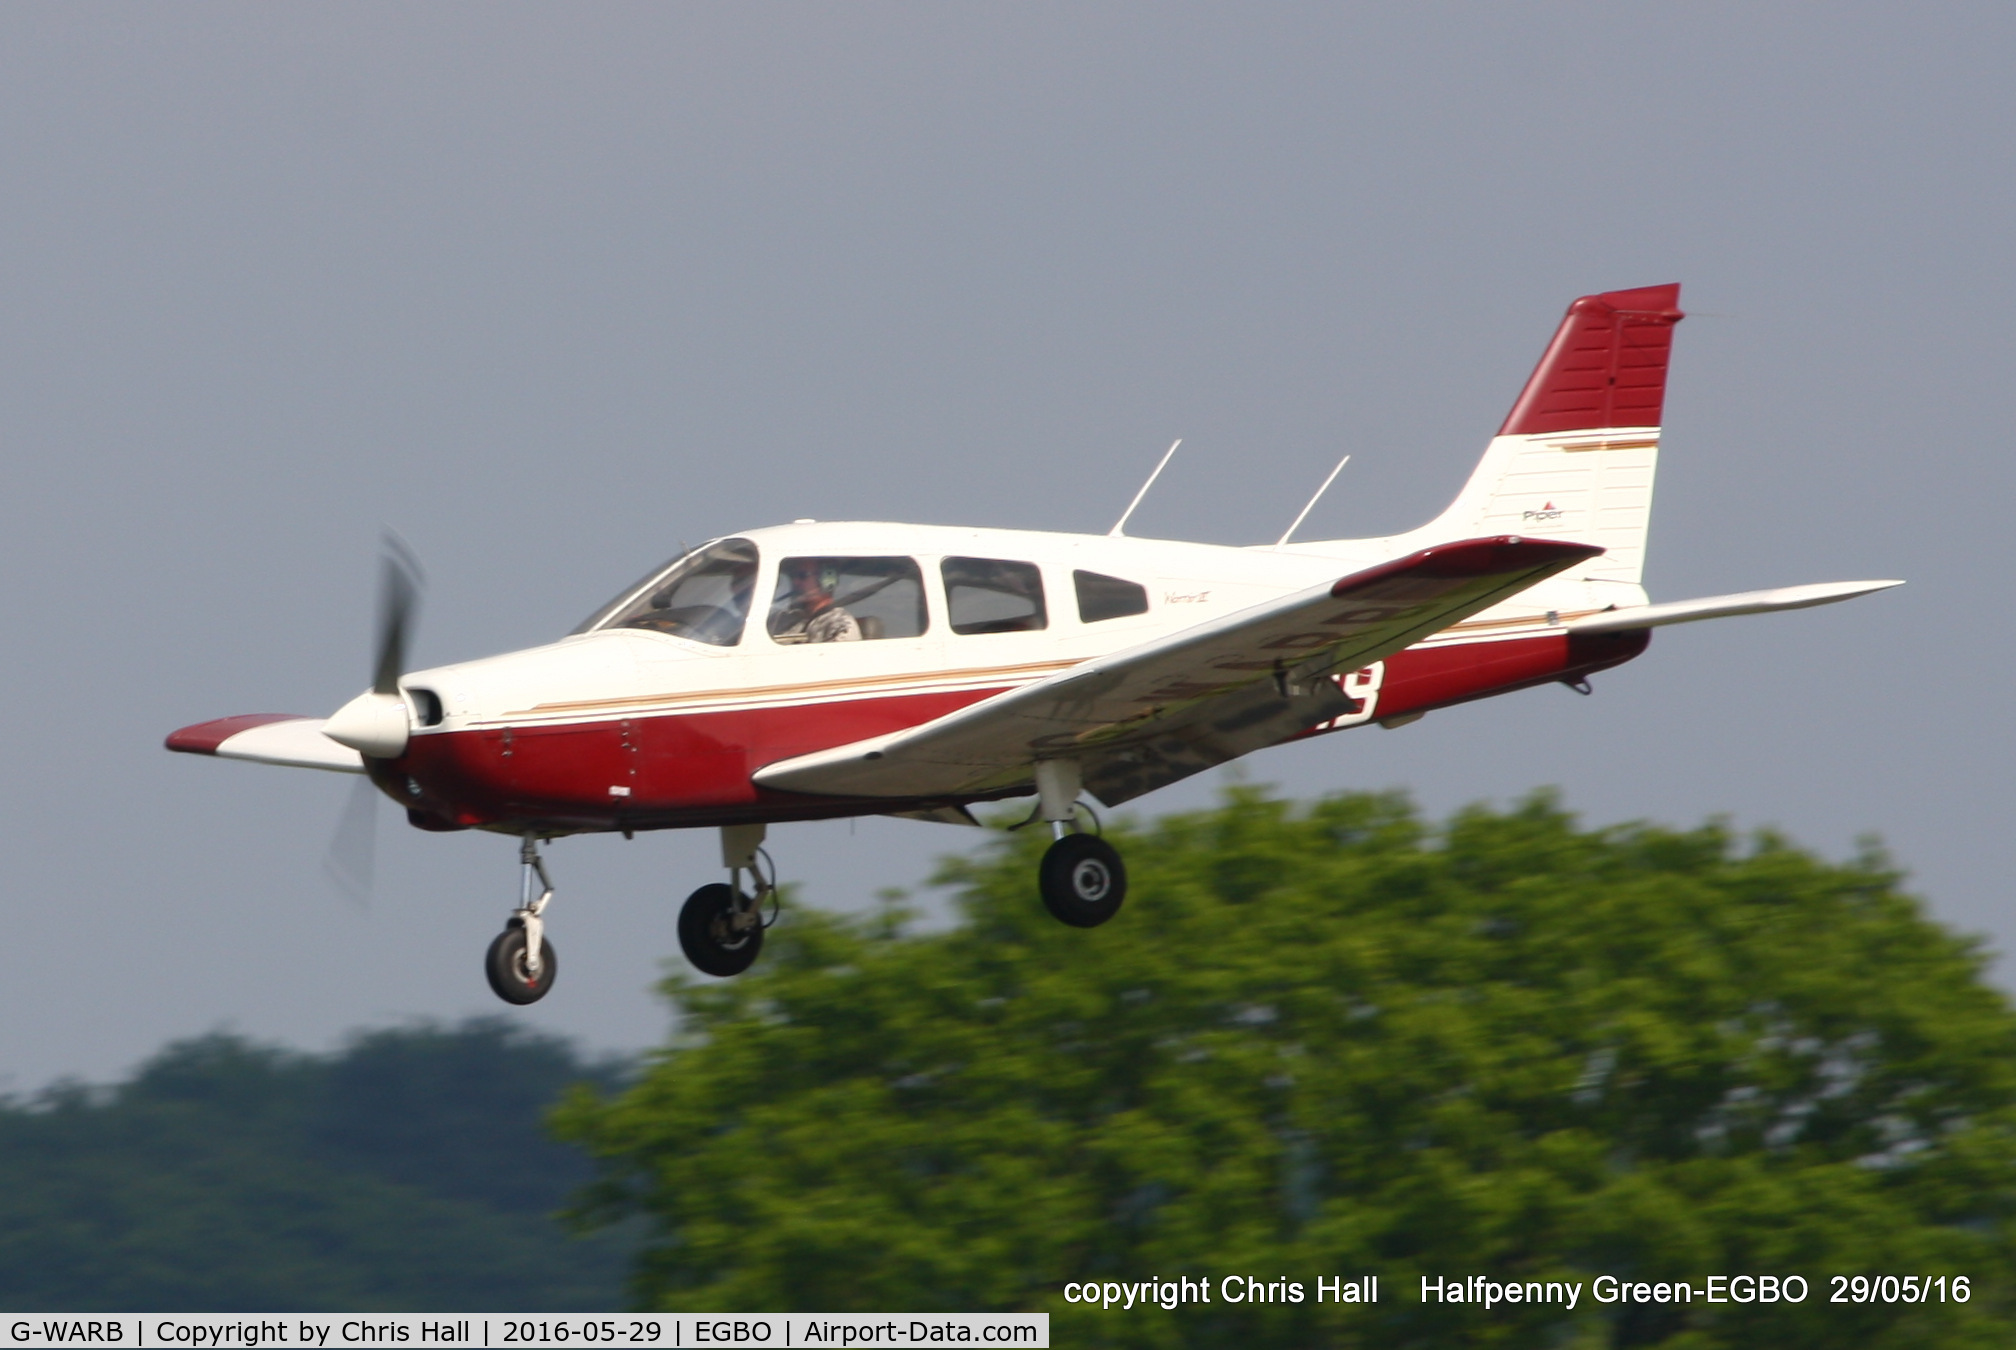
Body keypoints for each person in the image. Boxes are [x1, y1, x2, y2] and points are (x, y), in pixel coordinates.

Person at [773, 559, 861, 643]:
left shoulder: (841, 625)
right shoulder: (785, 618)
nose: (796, 582)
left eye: (802, 576)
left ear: (826, 580)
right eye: (793, 576)